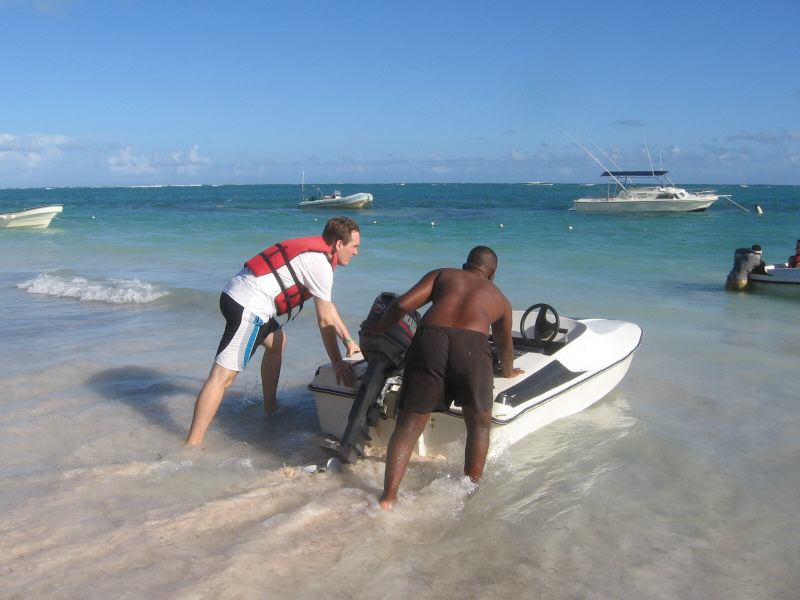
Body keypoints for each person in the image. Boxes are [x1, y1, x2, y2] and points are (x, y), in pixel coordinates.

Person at [361, 246, 524, 510]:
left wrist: (379, 328)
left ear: (465, 266)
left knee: (409, 424)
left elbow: (401, 304)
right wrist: (507, 371)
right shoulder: (500, 299)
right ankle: (468, 496)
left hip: (430, 339)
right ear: (492, 275)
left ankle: (388, 498)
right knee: (479, 426)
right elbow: (505, 347)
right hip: (472, 345)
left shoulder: (442, 275)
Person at [187, 217, 361, 446]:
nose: (356, 252)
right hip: (249, 306)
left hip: (235, 294)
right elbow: (324, 320)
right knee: (222, 378)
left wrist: (348, 340)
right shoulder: (319, 264)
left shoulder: (317, 258)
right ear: (339, 244)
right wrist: (337, 362)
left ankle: (270, 409)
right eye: (354, 246)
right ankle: (192, 446)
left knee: (277, 341)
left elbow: (327, 307)